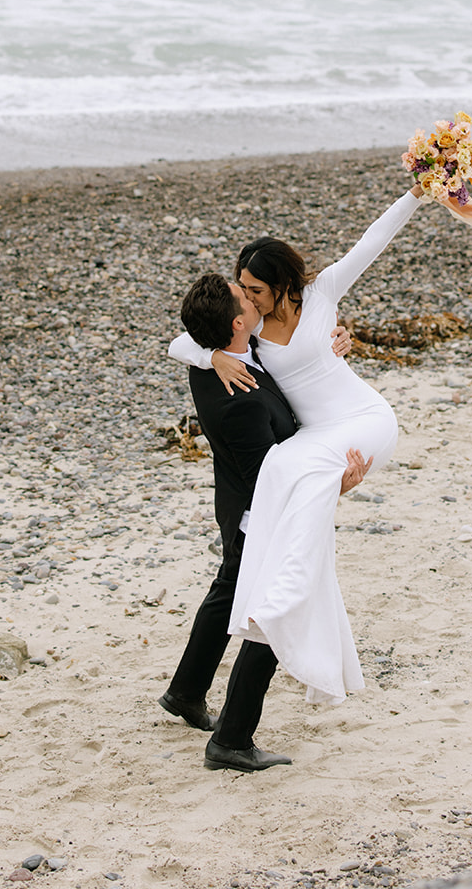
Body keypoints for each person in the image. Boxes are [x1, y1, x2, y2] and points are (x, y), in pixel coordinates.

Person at [168, 186, 425, 759]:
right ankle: (267, 625)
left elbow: (374, 241)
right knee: (262, 554)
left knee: (255, 558)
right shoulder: (246, 331)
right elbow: (182, 339)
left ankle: (249, 644)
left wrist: (418, 190)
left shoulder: (322, 293)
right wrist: (212, 355)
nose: (249, 298)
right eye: (244, 292)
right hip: (308, 442)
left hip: (357, 419)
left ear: (281, 285)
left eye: (255, 288)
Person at [159, 273, 371, 772]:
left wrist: (332, 338)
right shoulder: (242, 399)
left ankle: (186, 692)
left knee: (230, 591)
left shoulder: (222, 352)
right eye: (246, 297)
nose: (255, 298)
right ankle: (231, 739)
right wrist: (337, 485)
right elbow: (270, 481)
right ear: (238, 321)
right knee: (273, 616)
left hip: (238, 507)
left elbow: (182, 343)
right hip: (262, 517)